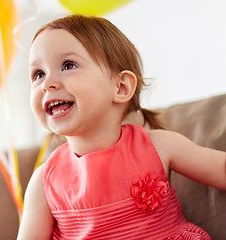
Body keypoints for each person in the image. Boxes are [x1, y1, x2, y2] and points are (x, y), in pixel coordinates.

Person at [17, 15, 226, 240]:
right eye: (38, 74)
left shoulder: (159, 145)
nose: (47, 83)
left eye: (68, 65)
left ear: (121, 87)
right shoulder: (43, 181)